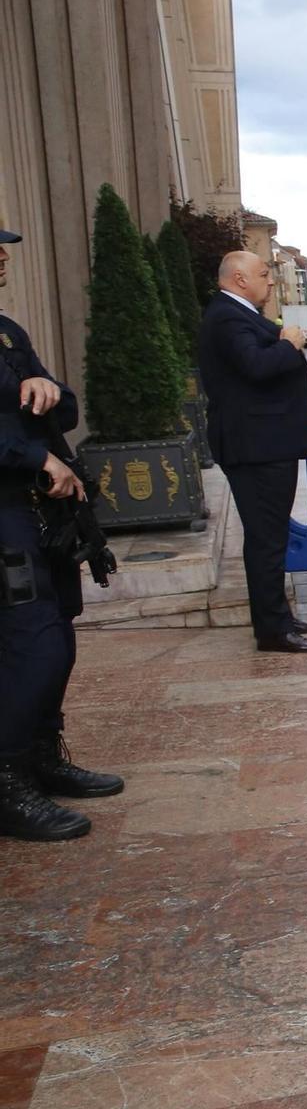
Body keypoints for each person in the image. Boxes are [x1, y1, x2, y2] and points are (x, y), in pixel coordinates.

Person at [0, 228, 125, 842]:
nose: (2, 257)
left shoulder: (7, 332)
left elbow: (67, 406)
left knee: (60, 633)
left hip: (42, 516)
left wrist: (48, 392)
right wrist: (32, 460)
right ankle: (6, 781)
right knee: (34, 641)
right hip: (4, 512)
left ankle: (42, 758)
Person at [198, 250, 307, 654]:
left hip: (265, 445)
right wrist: (288, 344)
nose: (270, 282)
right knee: (266, 540)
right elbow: (255, 366)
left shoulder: (237, 313)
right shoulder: (228, 316)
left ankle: (278, 617)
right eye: (264, 274)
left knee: (271, 537)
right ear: (238, 278)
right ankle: (272, 629)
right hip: (257, 448)